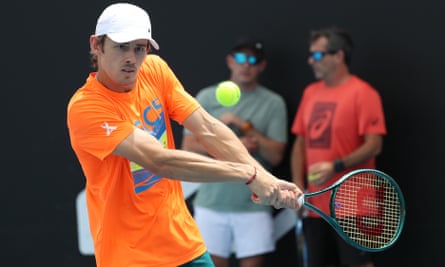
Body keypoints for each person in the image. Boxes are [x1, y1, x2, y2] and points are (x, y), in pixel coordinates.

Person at [66, 3, 302, 267]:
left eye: (139, 48)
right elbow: (160, 161)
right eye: (122, 46)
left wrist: (267, 178)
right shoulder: (86, 108)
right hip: (129, 256)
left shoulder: (154, 70)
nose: (132, 58)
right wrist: (250, 175)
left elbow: (208, 128)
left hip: (184, 245)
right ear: (97, 45)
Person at [181, 38, 288, 267]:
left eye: (253, 60)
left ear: (261, 66)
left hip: (253, 203)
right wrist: (235, 144)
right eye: (241, 58)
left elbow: (276, 156)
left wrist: (244, 126)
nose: (246, 65)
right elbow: (188, 146)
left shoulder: (273, 102)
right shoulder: (207, 97)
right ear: (230, 61)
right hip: (211, 202)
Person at [290, 26, 387, 267]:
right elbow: (300, 142)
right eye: (311, 54)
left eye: (318, 55)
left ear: (339, 56)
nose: (310, 60)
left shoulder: (363, 93)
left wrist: (336, 166)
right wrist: (297, 183)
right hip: (315, 206)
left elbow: (374, 145)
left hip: (355, 206)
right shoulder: (310, 93)